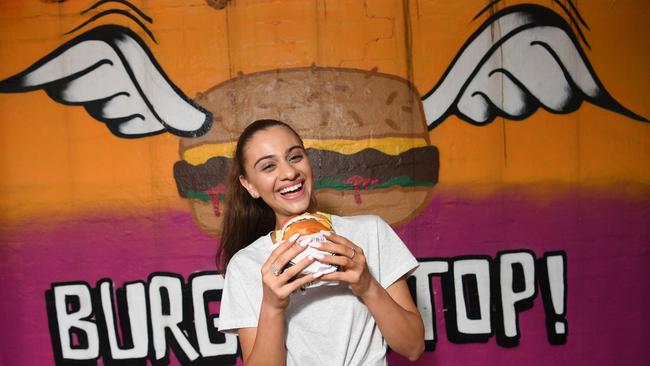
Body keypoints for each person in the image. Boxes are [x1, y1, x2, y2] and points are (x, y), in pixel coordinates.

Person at [217, 119, 425, 365]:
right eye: (269, 166)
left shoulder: (370, 231)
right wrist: (272, 307)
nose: (289, 173)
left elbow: (413, 347)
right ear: (249, 185)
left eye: (295, 157)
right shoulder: (246, 265)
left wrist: (368, 285)